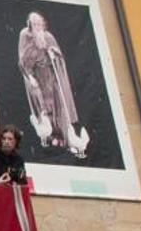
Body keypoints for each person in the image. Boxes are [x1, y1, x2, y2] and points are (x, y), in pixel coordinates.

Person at [18, 11, 88, 158]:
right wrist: (30, 77)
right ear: (30, 24)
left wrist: (53, 53)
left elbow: (59, 56)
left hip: (52, 78)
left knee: (58, 106)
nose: (37, 27)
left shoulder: (48, 36)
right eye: (35, 24)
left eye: (39, 24)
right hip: (38, 76)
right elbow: (23, 61)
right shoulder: (25, 35)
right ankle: (48, 137)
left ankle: (65, 139)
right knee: (43, 107)